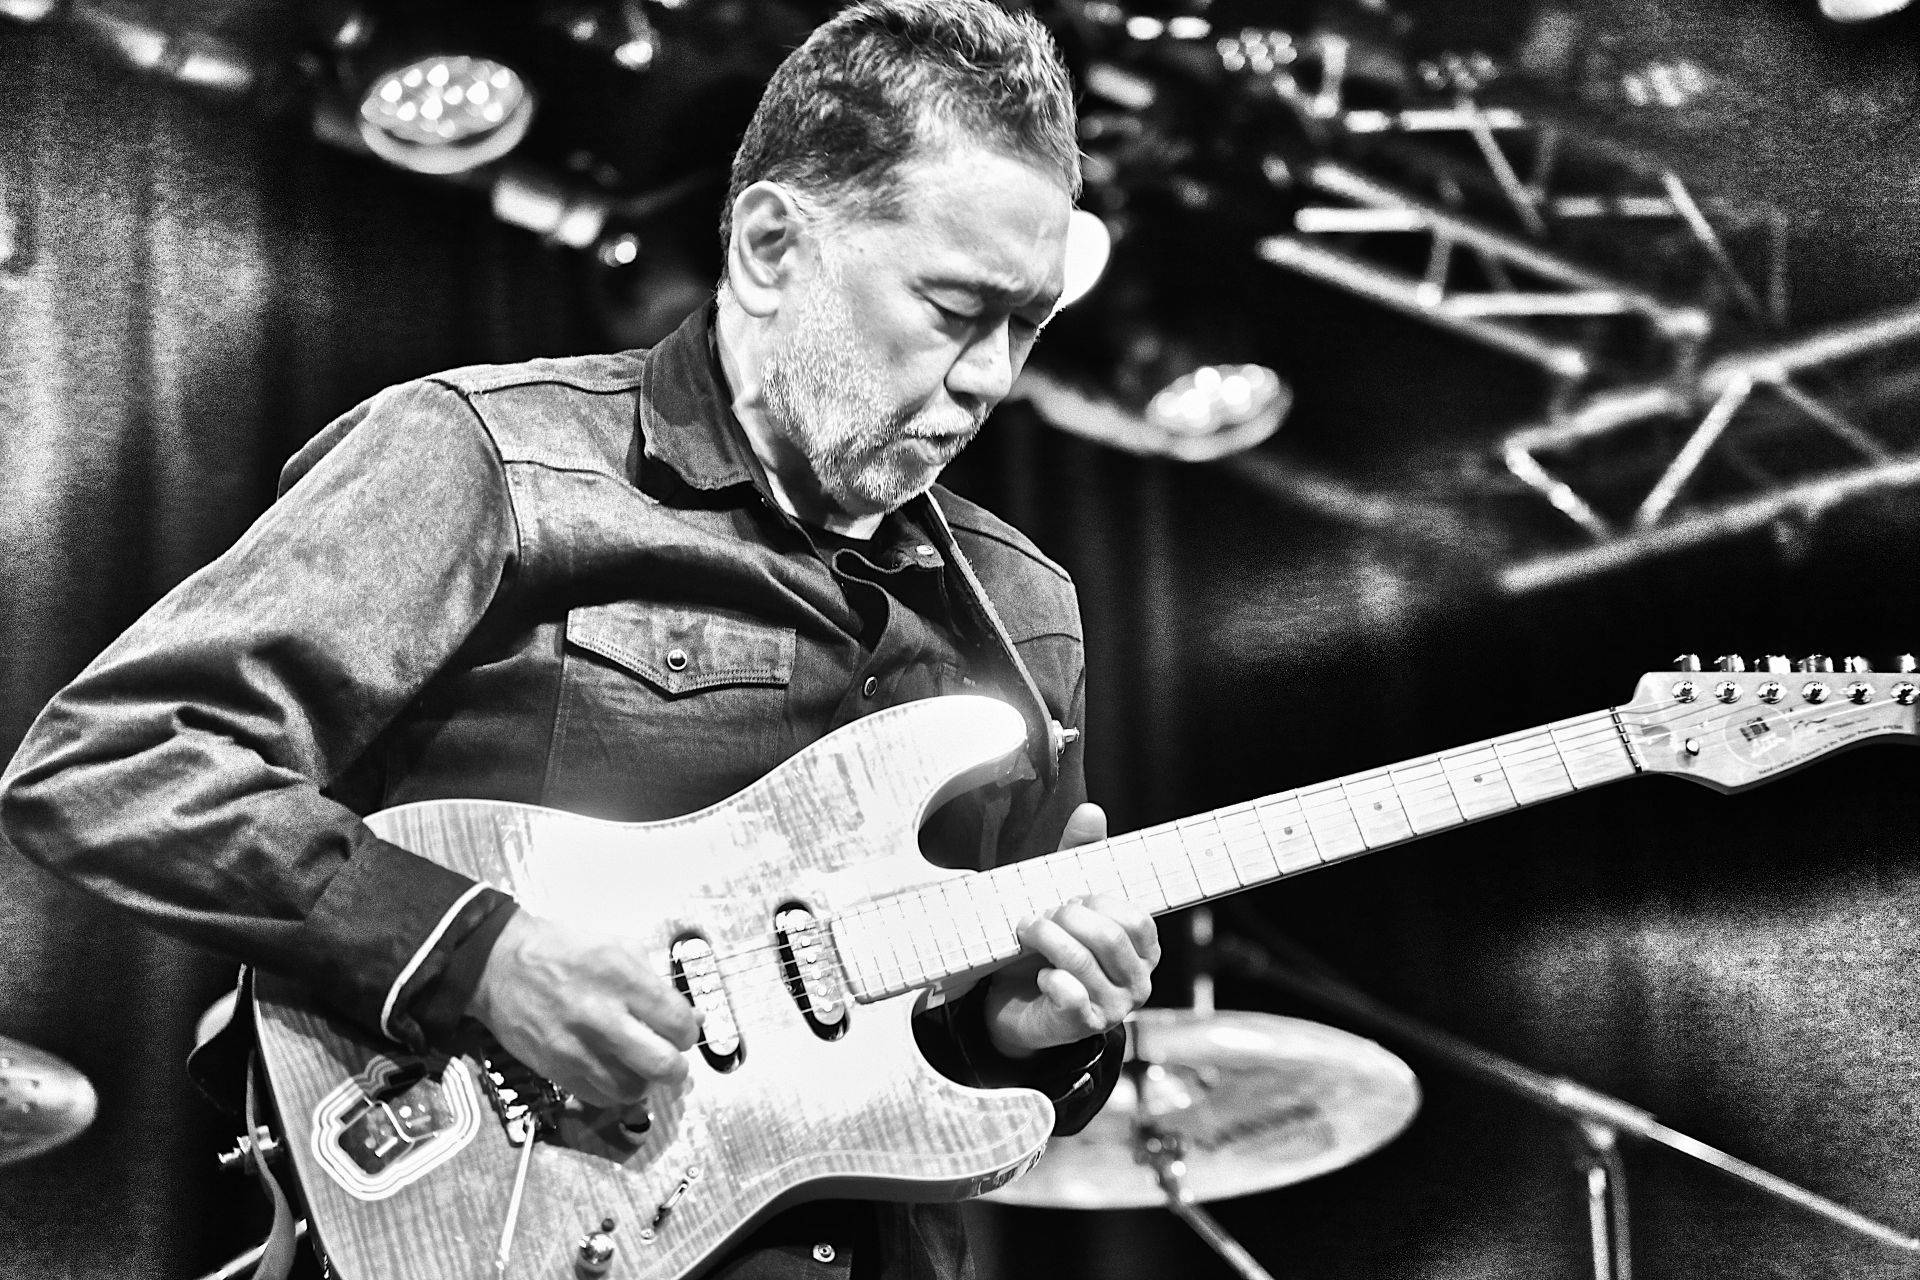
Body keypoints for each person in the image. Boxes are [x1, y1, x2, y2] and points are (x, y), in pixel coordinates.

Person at [0, 1, 1160, 1277]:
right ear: (771, 247)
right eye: (952, 306)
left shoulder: (1022, 606)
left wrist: (1035, 1029)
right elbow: (119, 761)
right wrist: (478, 953)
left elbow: (958, 1061)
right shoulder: (496, 462)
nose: (992, 374)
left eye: (1028, 325)